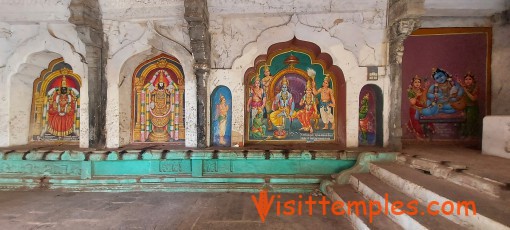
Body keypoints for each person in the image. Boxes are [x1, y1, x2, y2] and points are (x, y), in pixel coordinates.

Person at [147, 71, 174, 142]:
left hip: (164, 108)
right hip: (156, 108)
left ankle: (163, 132)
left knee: (164, 115)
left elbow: (168, 99)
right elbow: (152, 98)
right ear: (158, 84)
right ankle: (156, 131)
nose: (161, 85)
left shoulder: (166, 92)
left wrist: (167, 106)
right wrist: (153, 104)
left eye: (162, 84)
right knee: (155, 116)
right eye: (160, 83)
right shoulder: (155, 92)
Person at [460, 73, 480, 138]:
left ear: (473, 80)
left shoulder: (475, 88)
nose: (467, 81)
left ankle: (472, 138)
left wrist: (465, 90)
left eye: (470, 79)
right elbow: (463, 100)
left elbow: (473, 99)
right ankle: (467, 138)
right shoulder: (464, 87)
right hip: (466, 108)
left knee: (471, 123)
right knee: (465, 123)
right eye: (466, 79)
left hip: (472, 108)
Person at [261, 64, 274, 129]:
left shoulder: (273, 78)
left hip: (273, 96)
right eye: (265, 72)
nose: (267, 73)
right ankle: (270, 125)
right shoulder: (263, 79)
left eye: (268, 71)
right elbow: (265, 85)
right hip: (266, 97)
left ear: (269, 72)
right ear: (264, 73)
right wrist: (270, 80)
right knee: (268, 111)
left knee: (274, 110)